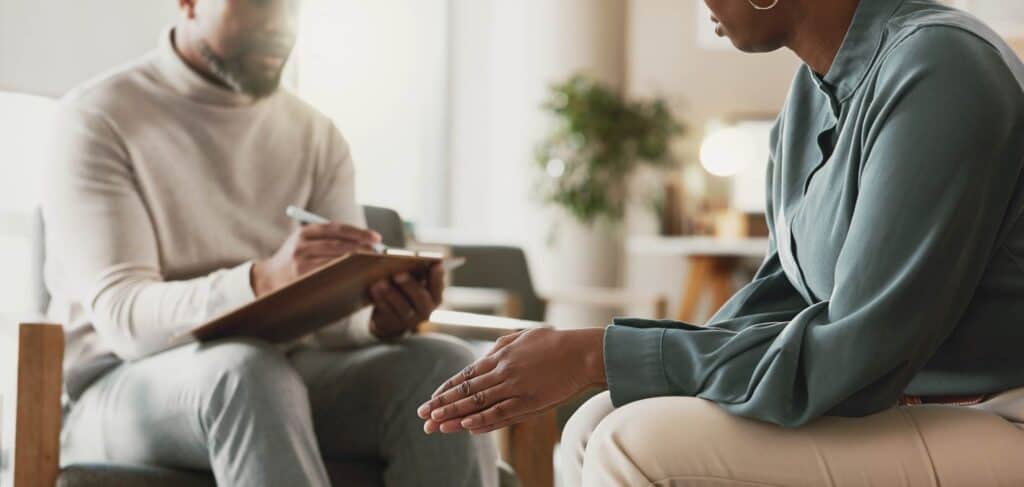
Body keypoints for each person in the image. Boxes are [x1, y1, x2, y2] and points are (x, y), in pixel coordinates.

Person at [418, 0, 1024, 484]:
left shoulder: (942, 68)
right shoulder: (810, 96)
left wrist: (595, 356)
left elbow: (859, 357)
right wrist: (603, 363)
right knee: (597, 421)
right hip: (900, 401)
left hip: (993, 412)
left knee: (633, 445)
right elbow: (776, 305)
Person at [46, 0, 495, 486]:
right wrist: (263, 279)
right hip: (121, 386)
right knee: (246, 372)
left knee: (443, 369)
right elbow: (124, 319)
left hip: (282, 374)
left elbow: (332, 326)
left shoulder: (316, 135)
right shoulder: (100, 117)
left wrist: (375, 318)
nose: (280, 24)